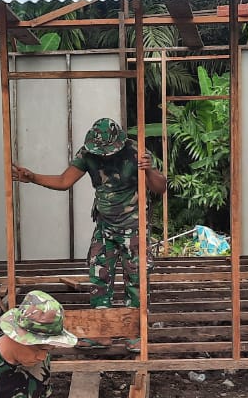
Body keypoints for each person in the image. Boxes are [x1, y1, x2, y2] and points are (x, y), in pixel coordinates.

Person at [12, 118, 168, 310]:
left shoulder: (135, 151)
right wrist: (33, 177)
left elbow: (160, 187)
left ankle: (136, 334)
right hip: (105, 226)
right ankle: (103, 333)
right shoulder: (87, 153)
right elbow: (64, 181)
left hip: (133, 227)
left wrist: (149, 169)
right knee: (99, 278)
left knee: (137, 280)